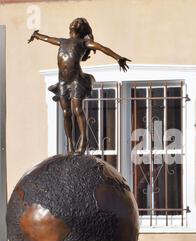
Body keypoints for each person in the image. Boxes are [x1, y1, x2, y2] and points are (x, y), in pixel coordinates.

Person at [28, 17, 131, 154]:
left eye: (77, 23)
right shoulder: (62, 41)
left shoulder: (84, 42)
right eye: (74, 22)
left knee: (77, 110)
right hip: (63, 81)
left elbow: (102, 48)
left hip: (76, 80)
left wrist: (118, 57)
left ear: (81, 29)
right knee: (66, 113)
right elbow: (48, 38)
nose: (73, 23)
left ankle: (83, 140)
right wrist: (36, 35)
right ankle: (70, 143)